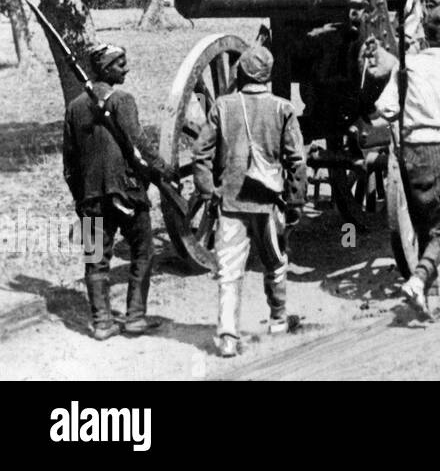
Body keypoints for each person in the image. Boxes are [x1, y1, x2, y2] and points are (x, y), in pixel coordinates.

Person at [192, 46, 308, 358]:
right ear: (268, 75)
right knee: (276, 261)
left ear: (240, 73)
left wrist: (207, 190)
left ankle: (228, 336)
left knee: (229, 271)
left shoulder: (223, 106)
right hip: (269, 202)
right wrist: (296, 201)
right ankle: (278, 320)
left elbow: (201, 153)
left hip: (230, 202)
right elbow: (296, 159)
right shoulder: (283, 108)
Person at [374, 4, 440, 322]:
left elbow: (384, 107)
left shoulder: (407, 67)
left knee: (424, 227)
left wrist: (406, 122)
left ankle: (432, 301)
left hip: (409, 153)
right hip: (439, 149)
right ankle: (418, 281)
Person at [62, 44, 171, 340]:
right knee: (143, 250)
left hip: (89, 198)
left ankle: (101, 323)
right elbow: (140, 143)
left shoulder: (74, 107)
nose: (126, 68)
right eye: (120, 64)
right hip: (127, 192)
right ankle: (134, 318)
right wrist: (163, 168)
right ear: (107, 69)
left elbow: (69, 163)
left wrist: (80, 197)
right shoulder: (123, 100)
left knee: (95, 258)